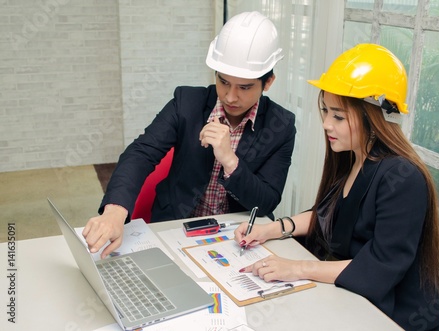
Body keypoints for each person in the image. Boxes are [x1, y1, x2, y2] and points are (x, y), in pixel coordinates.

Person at [235, 44, 439, 331]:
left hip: (390, 318)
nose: (326, 124)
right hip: (353, 300)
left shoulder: (403, 178)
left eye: (338, 116)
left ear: (375, 117)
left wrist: (297, 268)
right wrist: (267, 229)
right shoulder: (354, 158)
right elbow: (325, 213)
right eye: (325, 112)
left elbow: (379, 267)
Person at [83, 11, 296, 259]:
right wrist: (115, 210)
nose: (229, 96)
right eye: (224, 82)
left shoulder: (280, 125)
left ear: (268, 82)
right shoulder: (186, 103)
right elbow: (141, 152)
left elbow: (267, 201)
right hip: (175, 229)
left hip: (236, 238)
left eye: (244, 87)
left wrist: (230, 161)